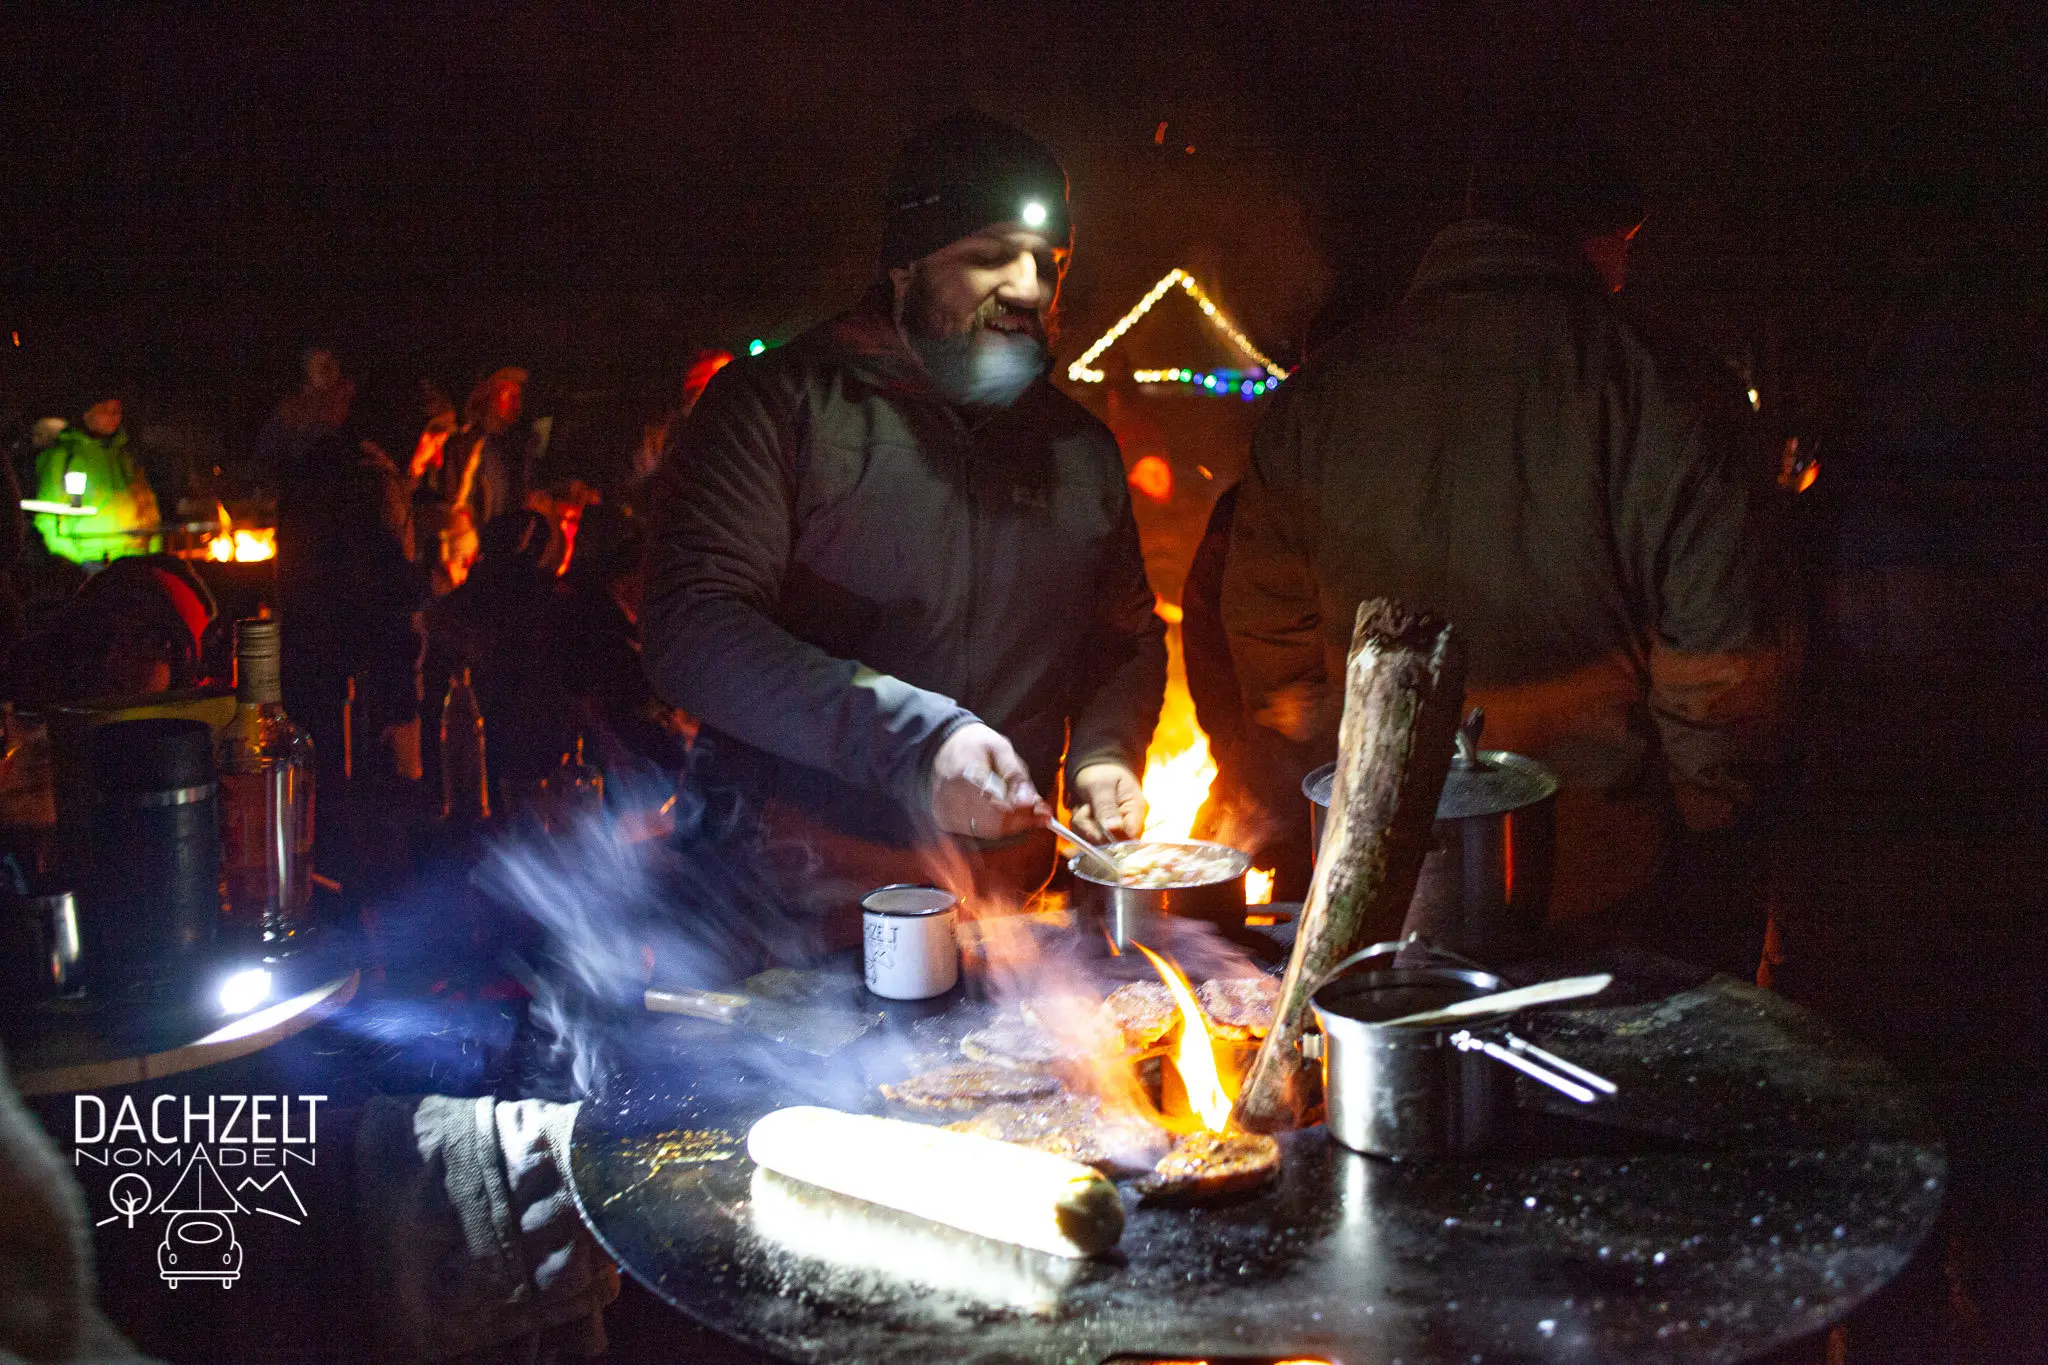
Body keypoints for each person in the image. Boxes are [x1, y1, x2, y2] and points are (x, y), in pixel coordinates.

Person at [1222, 103, 1781, 970]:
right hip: (1597, 883)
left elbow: (1268, 637)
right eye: (1623, 241)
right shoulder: (1664, 394)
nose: (1624, 270)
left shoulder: (1322, 396)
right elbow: (1718, 668)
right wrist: (1712, 827)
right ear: (1594, 234)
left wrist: (1350, 776)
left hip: (1378, 877)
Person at [643, 111, 1166, 926]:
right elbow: (694, 627)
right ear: (905, 266)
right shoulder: (782, 406)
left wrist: (1105, 755)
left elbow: (1124, 640)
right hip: (786, 901)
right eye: (989, 255)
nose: (1029, 287)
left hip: (992, 910)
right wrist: (921, 745)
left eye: (1047, 263)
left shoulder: (1080, 453)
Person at [30, 388, 161, 565]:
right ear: (87, 414)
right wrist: (72, 561)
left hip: (132, 559)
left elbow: (147, 507)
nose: (113, 416)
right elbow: (46, 517)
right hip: (89, 560)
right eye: (105, 410)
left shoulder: (125, 456)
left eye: (117, 410)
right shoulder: (64, 455)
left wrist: (152, 552)